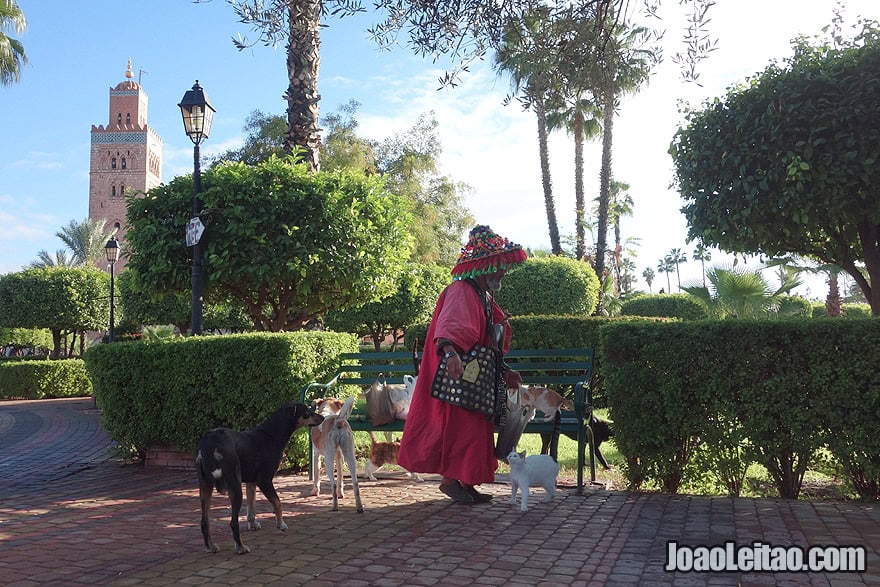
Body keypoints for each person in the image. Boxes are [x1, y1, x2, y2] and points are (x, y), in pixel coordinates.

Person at [398, 225, 527, 504]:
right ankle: (451, 481)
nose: (503, 272)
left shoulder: (484, 296)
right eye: (499, 266)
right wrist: (451, 354)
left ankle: (466, 483)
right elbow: (450, 329)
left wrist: (504, 370)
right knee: (462, 428)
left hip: (474, 378)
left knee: (475, 427)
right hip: (457, 378)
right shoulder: (461, 290)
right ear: (485, 267)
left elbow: (492, 339)